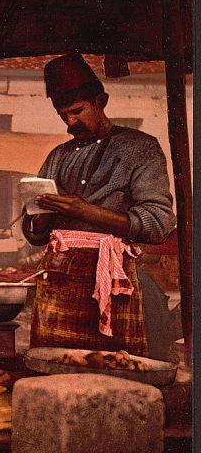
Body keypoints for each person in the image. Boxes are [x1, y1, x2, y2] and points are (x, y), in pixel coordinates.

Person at [21, 51, 176, 357]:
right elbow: (34, 234)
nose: (70, 122)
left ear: (101, 101)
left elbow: (158, 224)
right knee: (59, 366)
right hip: (60, 283)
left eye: (77, 111)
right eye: (62, 115)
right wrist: (38, 217)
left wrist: (84, 211)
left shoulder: (139, 148)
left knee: (118, 367)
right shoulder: (58, 157)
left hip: (117, 281)